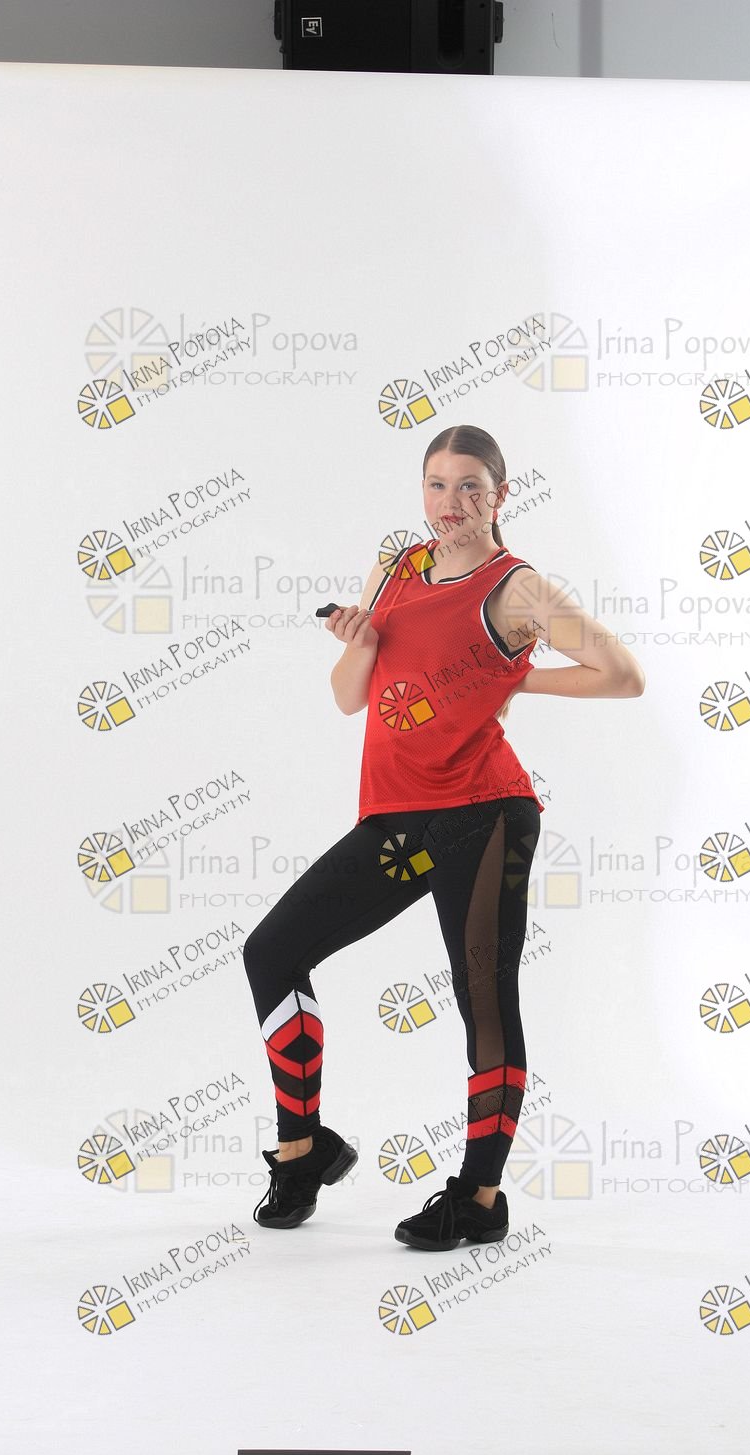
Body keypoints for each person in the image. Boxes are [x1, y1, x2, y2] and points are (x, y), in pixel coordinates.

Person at [243, 424, 646, 1250]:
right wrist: (360, 642)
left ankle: (480, 1198)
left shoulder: (517, 588)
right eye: (437, 485)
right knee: (272, 952)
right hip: (399, 818)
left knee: (483, 997)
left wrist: (517, 676)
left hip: (484, 815)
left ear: (500, 495)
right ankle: (304, 1149)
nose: (451, 502)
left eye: (469, 486)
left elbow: (623, 676)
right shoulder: (395, 568)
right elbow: (349, 699)